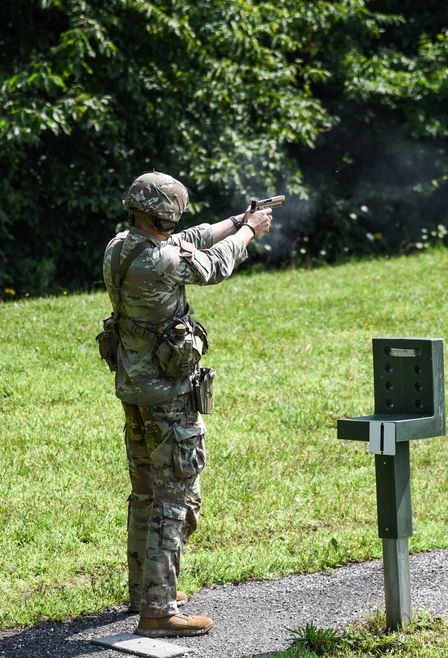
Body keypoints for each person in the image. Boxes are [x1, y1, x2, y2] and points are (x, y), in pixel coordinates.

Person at [102, 172, 274, 638]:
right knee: (174, 497)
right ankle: (157, 611)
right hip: (169, 396)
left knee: (144, 495)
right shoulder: (163, 260)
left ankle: (145, 589)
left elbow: (189, 240)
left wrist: (235, 219)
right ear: (167, 211)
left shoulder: (121, 246)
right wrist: (249, 232)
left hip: (134, 389)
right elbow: (213, 264)